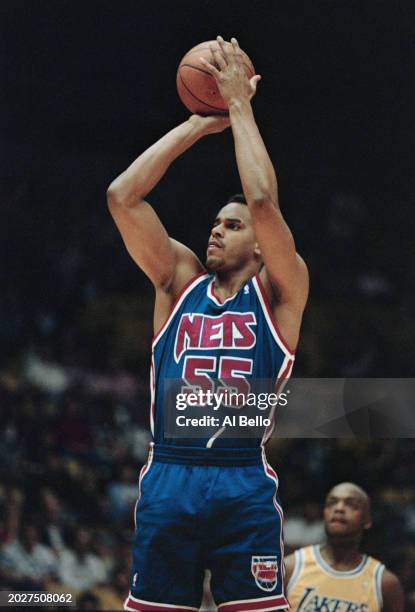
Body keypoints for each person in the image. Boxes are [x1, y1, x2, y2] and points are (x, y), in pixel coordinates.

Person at [107, 35, 308, 612]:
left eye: (232, 225)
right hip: (170, 473)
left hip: (241, 478)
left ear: (263, 248)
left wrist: (238, 104)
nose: (216, 230)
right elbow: (123, 196)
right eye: (216, 222)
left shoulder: (279, 294)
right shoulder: (177, 283)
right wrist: (199, 124)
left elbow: (264, 201)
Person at [285, 482, 404, 612]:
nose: (339, 508)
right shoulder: (290, 568)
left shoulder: (385, 584)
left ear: (367, 520)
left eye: (351, 505)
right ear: (324, 513)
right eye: (332, 503)